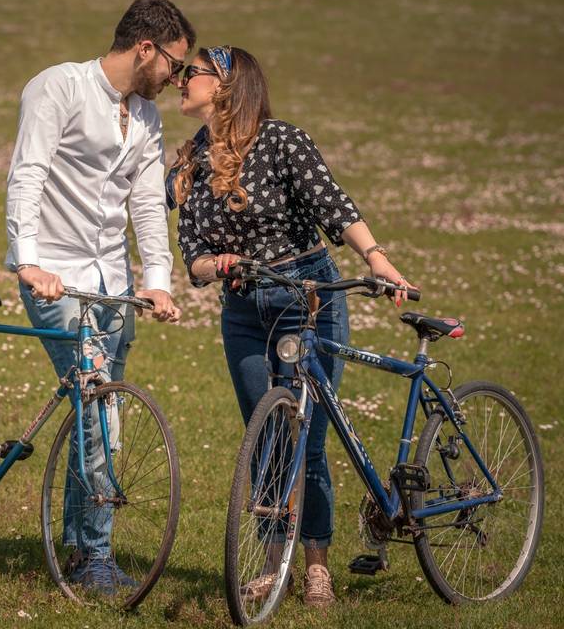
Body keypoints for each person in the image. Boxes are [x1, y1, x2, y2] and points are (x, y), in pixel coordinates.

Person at [167, 46, 416, 607]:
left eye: (192, 74)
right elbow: (194, 253)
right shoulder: (191, 160)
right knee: (267, 438)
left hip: (308, 299)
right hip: (243, 312)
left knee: (307, 442)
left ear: (227, 86)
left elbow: (334, 206)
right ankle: (272, 563)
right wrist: (215, 263)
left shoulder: (282, 141)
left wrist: (376, 258)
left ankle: (316, 566)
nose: (180, 82)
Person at [4, 0, 194, 594]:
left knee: (94, 411)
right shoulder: (57, 88)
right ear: (146, 48)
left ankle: (72, 542)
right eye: (174, 64)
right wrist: (28, 262)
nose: (176, 78)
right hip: (55, 277)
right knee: (98, 413)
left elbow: (144, 204)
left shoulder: (146, 117)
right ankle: (96, 559)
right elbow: (27, 172)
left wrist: (158, 282)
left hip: (112, 285)